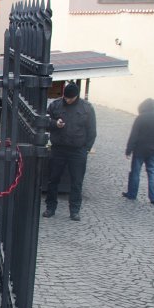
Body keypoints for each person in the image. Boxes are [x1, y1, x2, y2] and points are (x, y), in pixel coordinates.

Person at [42, 82, 97, 221]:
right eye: (65, 97)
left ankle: (74, 210)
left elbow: (92, 131)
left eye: (70, 98)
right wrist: (55, 124)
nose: (67, 100)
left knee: (77, 182)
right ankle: (50, 207)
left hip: (77, 151)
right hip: (58, 148)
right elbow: (45, 122)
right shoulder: (55, 105)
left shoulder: (86, 108)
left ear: (76, 96)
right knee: (53, 180)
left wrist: (86, 149)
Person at [122, 98, 154, 204]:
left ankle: (132, 194)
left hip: (139, 150)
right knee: (152, 172)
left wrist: (128, 150)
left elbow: (133, 136)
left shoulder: (140, 118)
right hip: (153, 150)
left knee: (135, 172)